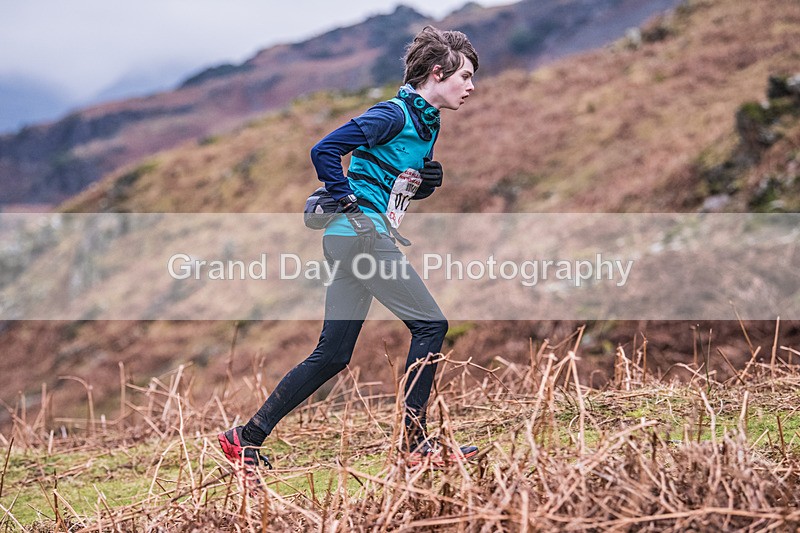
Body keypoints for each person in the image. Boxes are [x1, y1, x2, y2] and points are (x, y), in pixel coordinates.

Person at [219, 25, 479, 468]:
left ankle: (246, 437)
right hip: (360, 235)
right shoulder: (392, 114)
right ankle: (415, 445)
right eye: (465, 76)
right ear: (438, 72)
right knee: (431, 325)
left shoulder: (426, 124)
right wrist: (351, 206)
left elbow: (390, 183)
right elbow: (324, 150)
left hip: (354, 238)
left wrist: (425, 185)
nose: (471, 87)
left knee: (333, 355)